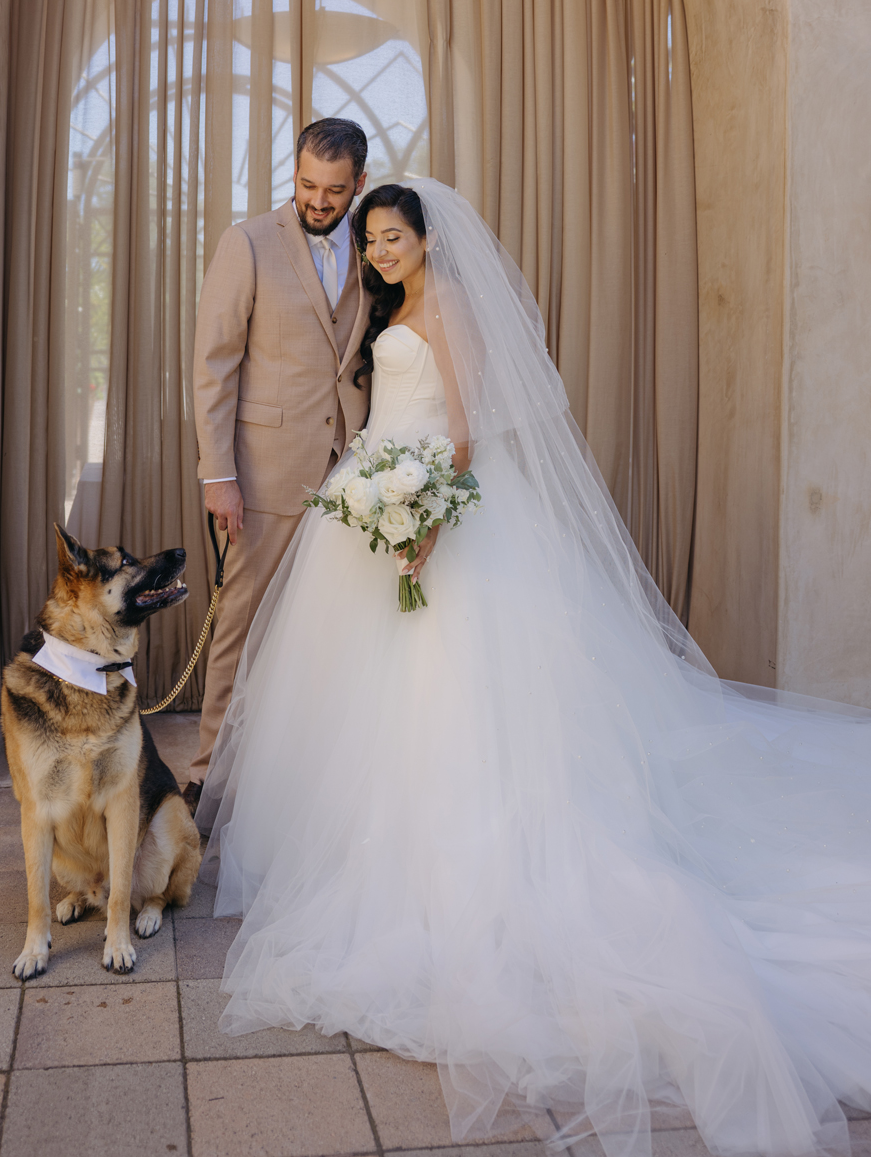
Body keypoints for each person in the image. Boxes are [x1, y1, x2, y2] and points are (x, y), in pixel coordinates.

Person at [197, 178, 871, 1157]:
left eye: (394, 236)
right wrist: (384, 497)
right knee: (363, 702)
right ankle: (366, 851)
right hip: (380, 499)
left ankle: (453, 871)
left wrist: (425, 515)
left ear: (428, 238)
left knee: (450, 698)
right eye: (372, 237)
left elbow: (465, 430)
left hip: (436, 506)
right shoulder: (388, 305)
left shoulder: (454, 304)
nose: (381, 251)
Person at [184, 119, 371, 812]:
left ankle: (309, 781)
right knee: (240, 625)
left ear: (359, 182)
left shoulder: (371, 243)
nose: (319, 201)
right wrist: (218, 474)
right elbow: (214, 366)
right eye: (307, 185)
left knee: (334, 629)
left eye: (334, 189)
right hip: (262, 472)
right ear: (292, 173)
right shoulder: (249, 243)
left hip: (349, 471)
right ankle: (208, 773)